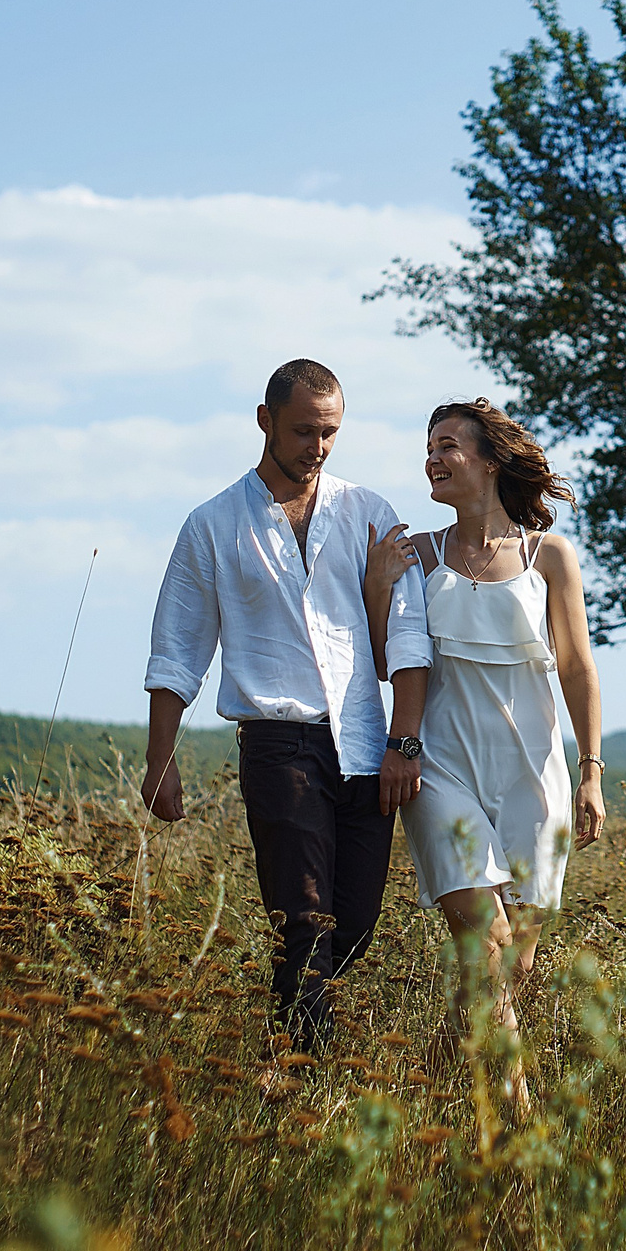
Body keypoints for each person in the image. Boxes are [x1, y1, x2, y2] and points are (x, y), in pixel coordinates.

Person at [142, 359, 431, 1051]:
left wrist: (403, 740)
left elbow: (409, 634)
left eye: (330, 432)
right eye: (304, 430)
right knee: (305, 919)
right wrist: (160, 759)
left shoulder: (369, 513)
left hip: (364, 742)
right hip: (278, 742)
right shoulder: (211, 523)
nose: (318, 447)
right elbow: (178, 645)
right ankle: (307, 1074)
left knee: (354, 923)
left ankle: (275, 1040)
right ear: (265, 420)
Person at [362, 398, 606, 1110]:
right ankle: (516, 1126)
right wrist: (379, 588)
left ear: (491, 460)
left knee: (511, 960)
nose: (432, 458)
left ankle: (438, 1076)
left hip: (534, 774)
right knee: (490, 937)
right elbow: (387, 661)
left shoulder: (548, 554)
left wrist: (591, 770)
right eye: (428, 447)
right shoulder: (421, 556)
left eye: (448, 445)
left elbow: (579, 668)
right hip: (440, 768)